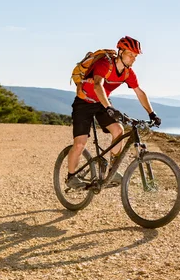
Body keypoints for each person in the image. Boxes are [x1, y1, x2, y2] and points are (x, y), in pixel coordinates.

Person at [66, 36, 162, 189]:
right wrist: (109, 107)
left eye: (135, 56)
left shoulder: (128, 73)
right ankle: (71, 176)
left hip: (102, 104)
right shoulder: (105, 64)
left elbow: (139, 92)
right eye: (130, 54)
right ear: (120, 52)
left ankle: (112, 170)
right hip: (84, 103)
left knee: (118, 130)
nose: (133, 59)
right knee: (79, 144)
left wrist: (152, 113)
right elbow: (98, 85)